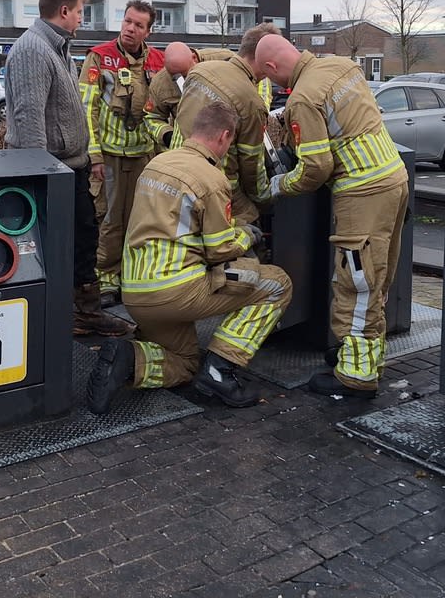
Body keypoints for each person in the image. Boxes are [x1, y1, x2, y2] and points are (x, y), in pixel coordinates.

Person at [86, 100, 291, 414]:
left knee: (183, 363)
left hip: (137, 293)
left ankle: (131, 360)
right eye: (230, 142)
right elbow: (220, 248)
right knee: (277, 282)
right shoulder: (211, 179)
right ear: (224, 137)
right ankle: (221, 369)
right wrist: (248, 233)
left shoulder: (156, 165)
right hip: (178, 291)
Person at [254, 33, 408, 399]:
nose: (272, 84)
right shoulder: (342, 66)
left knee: (356, 282)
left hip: (362, 192)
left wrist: (275, 187)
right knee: (377, 278)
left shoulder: (304, 98)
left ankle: (356, 376)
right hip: (393, 179)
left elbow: (316, 168)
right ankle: (363, 355)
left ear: (273, 67)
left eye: (268, 76)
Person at [3, 0, 134, 338]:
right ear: (64, 11)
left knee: (82, 240)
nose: (80, 19)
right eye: (79, 12)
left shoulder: (55, 47)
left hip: (66, 169)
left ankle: (81, 312)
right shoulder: (34, 50)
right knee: (70, 243)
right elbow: (30, 120)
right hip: (53, 173)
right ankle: (77, 315)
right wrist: (44, 182)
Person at [79, 0, 165, 296]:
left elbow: (166, 109)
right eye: (127, 21)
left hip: (144, 155)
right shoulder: (99, 57)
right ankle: (104, 278)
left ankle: (132, 275)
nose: (130, 28)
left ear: (148, 31)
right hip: (110, 156)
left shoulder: (159, 62)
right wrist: (94, 156)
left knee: (141, 219)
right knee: (110, 220)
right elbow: (86, 109)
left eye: (138, 25)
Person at [172, 23, 279, 226]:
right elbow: (251, 166)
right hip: (215, 187)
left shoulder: (199, 71)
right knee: (249, 223)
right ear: (263, 58)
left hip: (176, 171)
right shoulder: (251, 101)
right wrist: (266, 197)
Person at [143, 42, 234, 150]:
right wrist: (167, 135)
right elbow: (151, 117)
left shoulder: (224, 60)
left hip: (225, 142)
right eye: (175, 77)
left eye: (185, 74)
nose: (182, 81)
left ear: (194, 58)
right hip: (187, 147)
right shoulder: (160, 83)